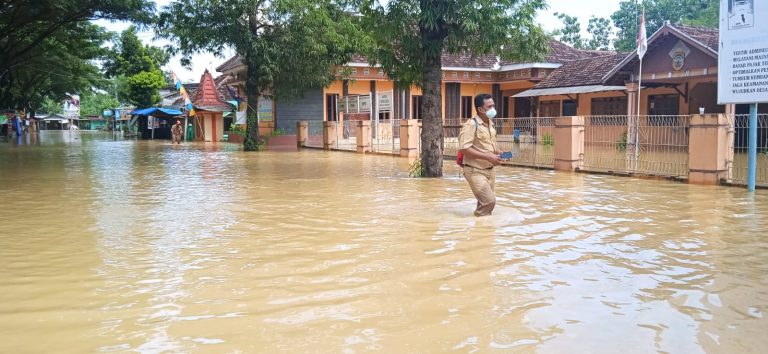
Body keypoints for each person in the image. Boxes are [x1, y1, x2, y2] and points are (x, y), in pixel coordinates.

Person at [458, 93, 502, 217]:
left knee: (485, 205)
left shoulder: (491, 124)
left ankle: (482, 232)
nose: (493, 109)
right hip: (475, 170)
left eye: (493, 105)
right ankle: (478, 229)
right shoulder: (472, 124)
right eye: (489, 106)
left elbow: (492, 146)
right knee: (489, 202)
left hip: (490, 171)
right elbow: (464, 148)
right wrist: (488, 157)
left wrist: (500, 153)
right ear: (480, 109)